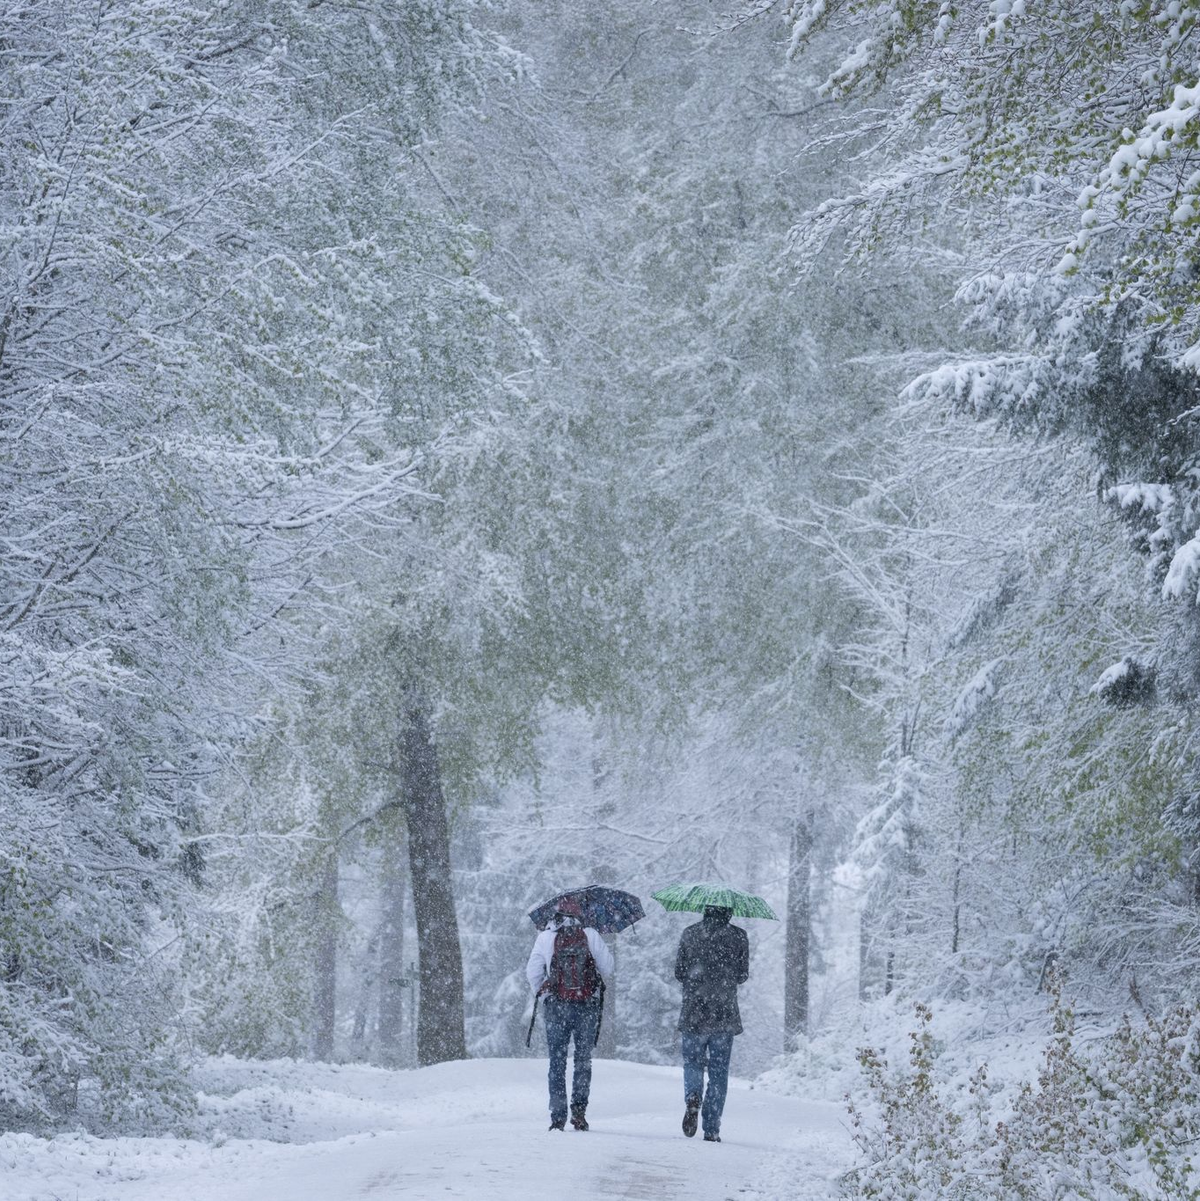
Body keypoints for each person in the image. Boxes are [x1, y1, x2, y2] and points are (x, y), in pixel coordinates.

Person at [526, 900, 614, 1132]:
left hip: (557, 1006)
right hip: (586, 1006)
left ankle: (557, 1116)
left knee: (557, 1062)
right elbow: (608, 968)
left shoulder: (545, 938)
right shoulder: (590, 934)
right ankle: (579, 1112)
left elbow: (533, 972)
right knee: (582, 1060)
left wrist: (546, 996)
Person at [673, 904, 749, 1143]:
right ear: (728, 911)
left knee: (692, 1063)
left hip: (694, 1012)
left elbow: (679, 972)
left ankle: (693, 1097)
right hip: (723, 1015)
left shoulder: (690, 933)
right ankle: (712, 1128)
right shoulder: (738, 936)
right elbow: (742, 975)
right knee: (718, 1073)